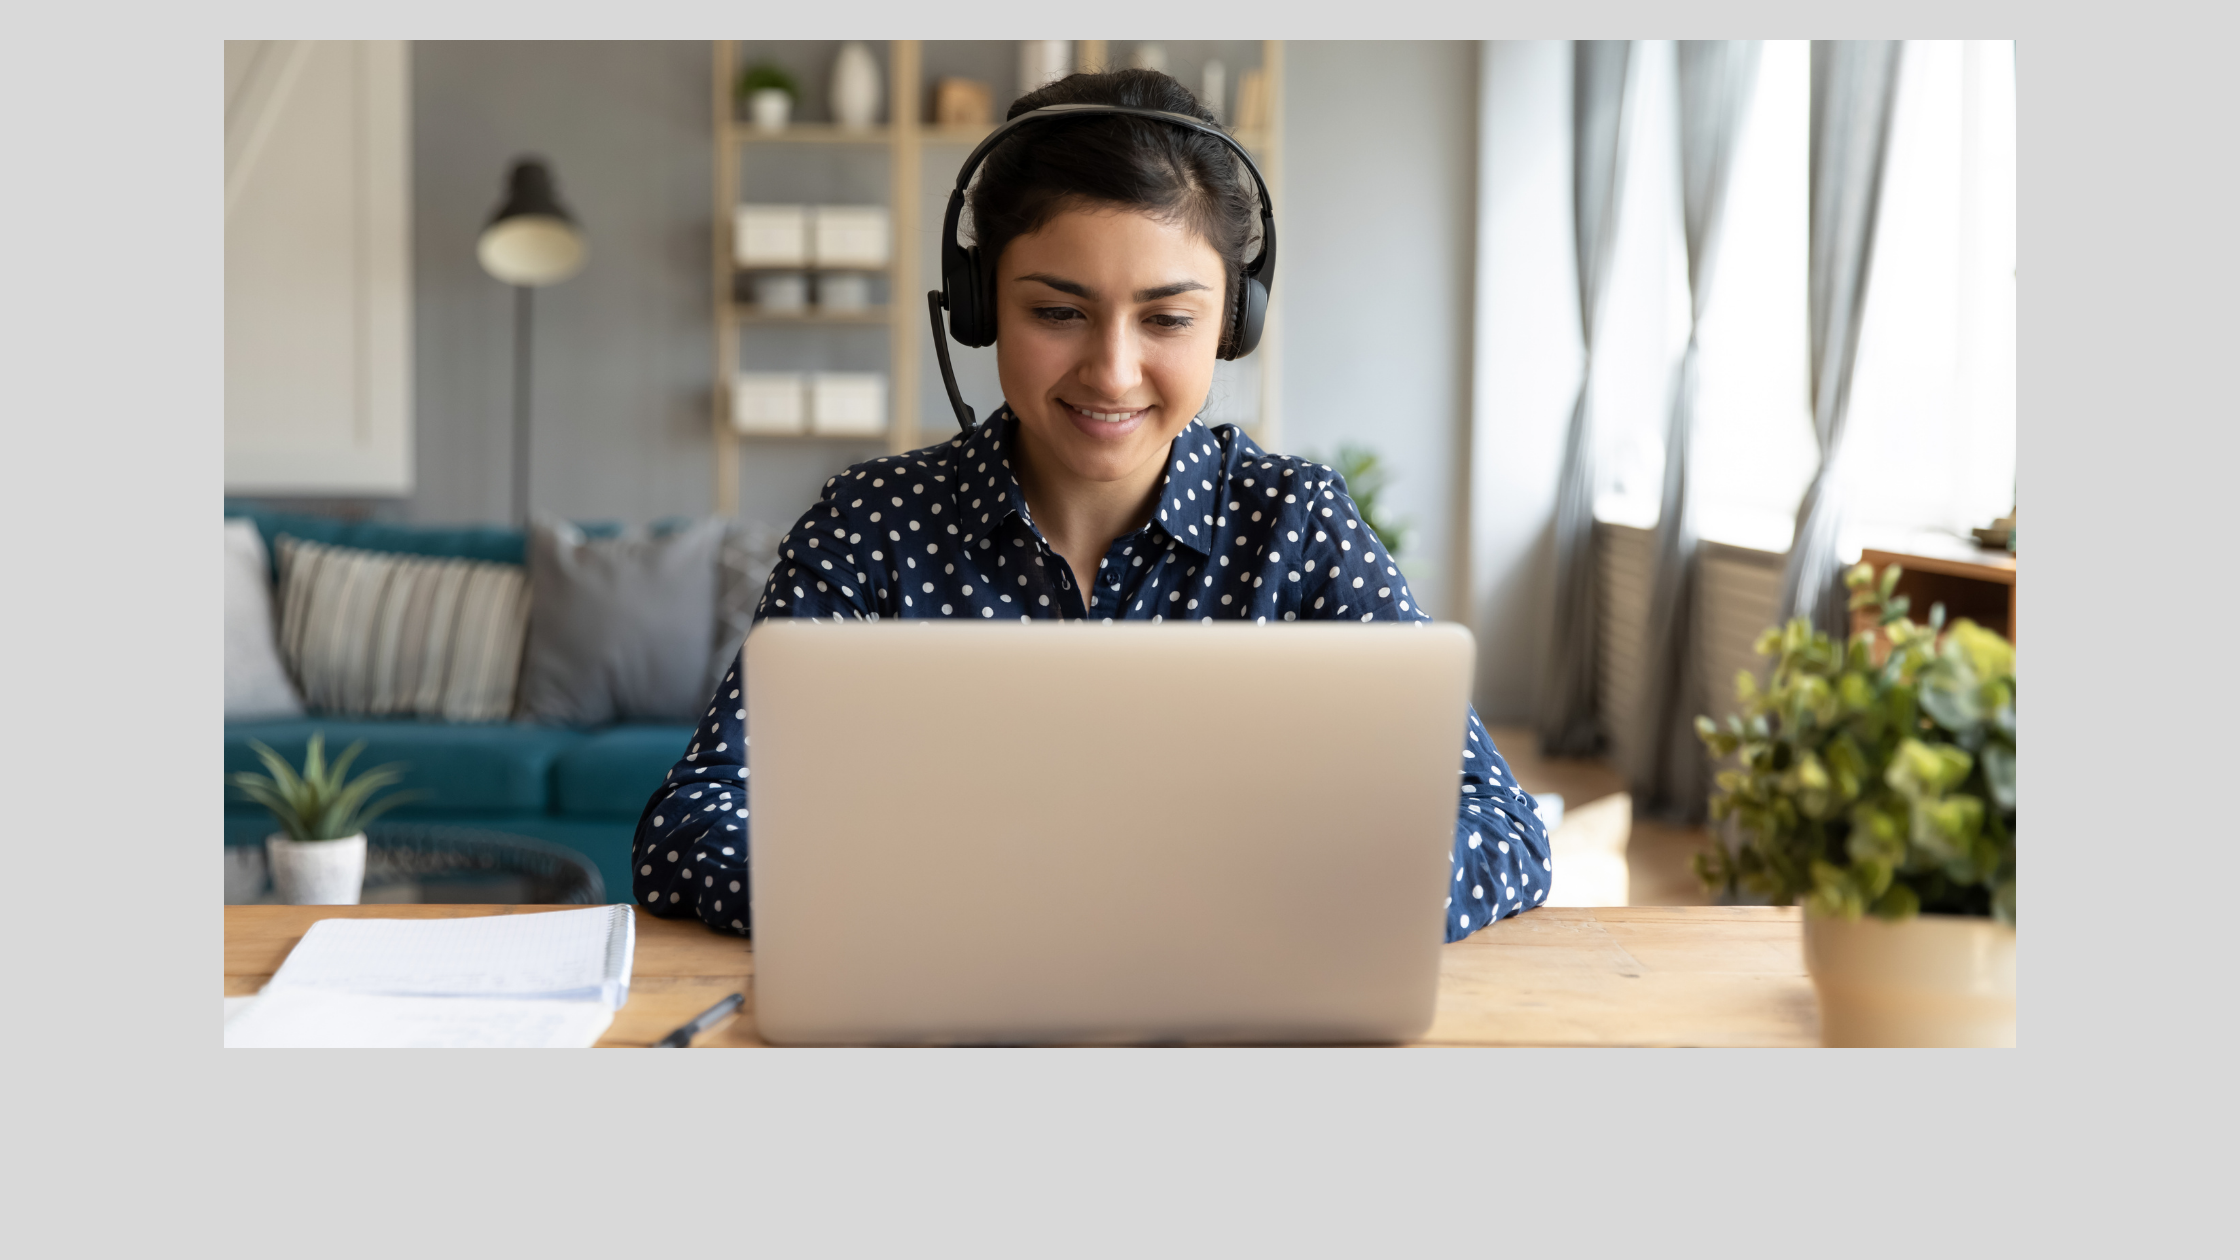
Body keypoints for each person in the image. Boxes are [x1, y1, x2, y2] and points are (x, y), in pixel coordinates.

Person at [632, 68, 1552, 944]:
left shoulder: (1295, 530)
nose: (1113, 372)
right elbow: (691, 826)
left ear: (1235, 323)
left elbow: (1496, 824)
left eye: (1168, 319)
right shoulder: (870, 528)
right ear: (979, 304)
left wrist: (1254, 901)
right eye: (1058, 312)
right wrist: (975, 908)